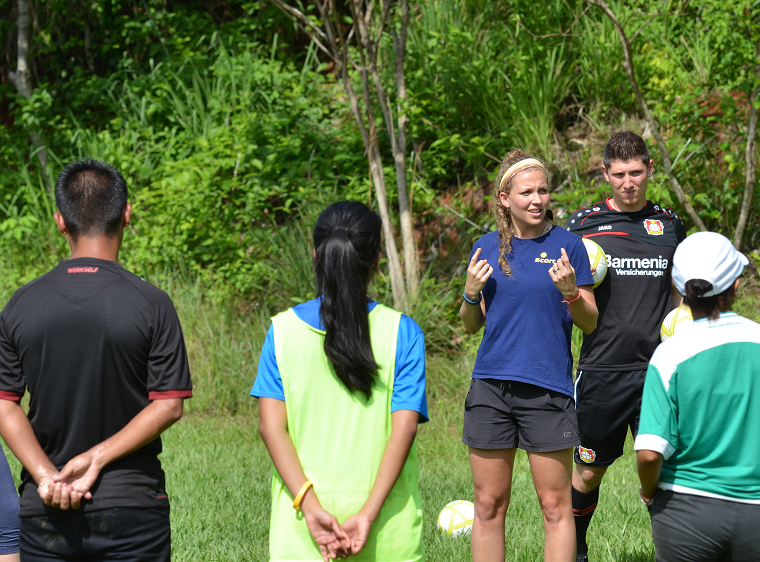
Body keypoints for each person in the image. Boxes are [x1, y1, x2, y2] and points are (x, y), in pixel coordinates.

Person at [0, 159, 192, 562]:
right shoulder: (152, 304)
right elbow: (168, 405)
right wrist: (97, 457)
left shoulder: (21, 305)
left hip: (44, 508)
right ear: (126, 214)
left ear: (59, 221)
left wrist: (46, 476)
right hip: (133, 507)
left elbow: (5, 404)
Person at [635, 231, 760, 562]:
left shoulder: (670, 355)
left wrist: (649, 493)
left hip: (683, 512)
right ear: (736, 285)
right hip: (758, 515)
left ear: (680, 290)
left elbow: (651, 454)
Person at [253, 200, 427, 562]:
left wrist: (311, 507)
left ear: (316, 255)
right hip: (386, 533)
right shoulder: (402, 333)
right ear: (377, 259)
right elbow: (404, 429)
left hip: (303, 533)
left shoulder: (282, 331)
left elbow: (272, 428)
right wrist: (367, 514)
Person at [461, 150, 598, 562]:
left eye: (542, 190)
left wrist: (571, 291)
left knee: (555, 508)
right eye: (526, 192)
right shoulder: (485, 248)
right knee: (487, 506)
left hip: (547, 390)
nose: (537, 199)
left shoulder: (569, 247)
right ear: (505, 198)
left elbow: (589, 322)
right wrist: (469, 292)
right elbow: (471, 324)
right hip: (491, 388)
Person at [563, 131, 686, 562]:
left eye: (636, 172)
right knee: (589, 470)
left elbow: (680, 294)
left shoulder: (670, 225)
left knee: (666, 471)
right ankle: (576, 547)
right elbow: (567, 296)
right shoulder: (582, 225)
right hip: (602, 370)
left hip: (659, 372)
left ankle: (673, 552)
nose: (629, 182)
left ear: (650, 169)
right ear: (605, 173)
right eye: (619, 174)